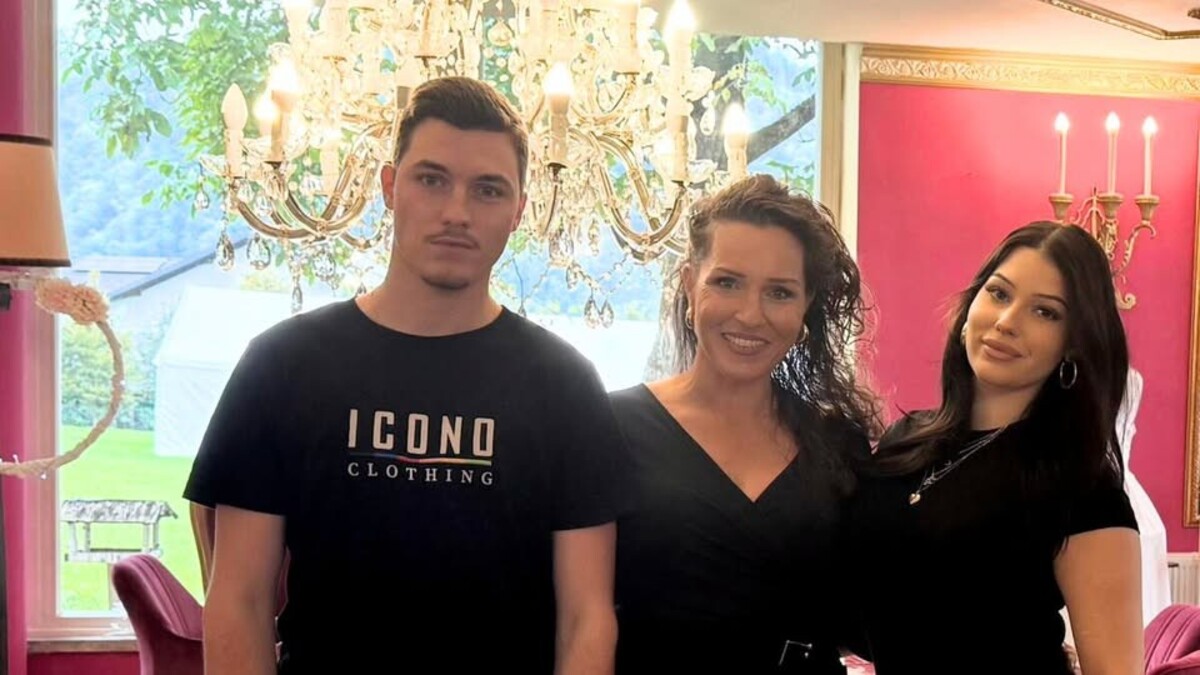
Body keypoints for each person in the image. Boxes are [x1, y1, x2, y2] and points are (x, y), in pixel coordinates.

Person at [184, 76, 631, 675]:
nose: (457, 213)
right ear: (390, 187)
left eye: (488, 190)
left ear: (519, 211)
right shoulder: (283, 366)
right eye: (431, 179)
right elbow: (239, 600)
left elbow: (587, 619)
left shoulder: (565, 386)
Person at [609, 175, 879, 674]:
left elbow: (865, 617)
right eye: (727, 282)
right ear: (689, 285)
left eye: (779, 292)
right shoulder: (612, 428)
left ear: (805, 306)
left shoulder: (837, 442)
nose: (751, 315)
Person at [845, 221, 1142, 674]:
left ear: (1073, 344)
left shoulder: (1082, 483)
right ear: (971, 304)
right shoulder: (903, 441)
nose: (1006, 322)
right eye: (999, 294)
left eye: (1045, 312)